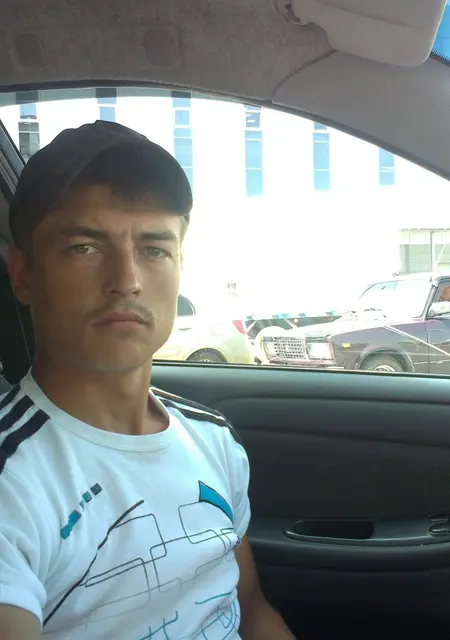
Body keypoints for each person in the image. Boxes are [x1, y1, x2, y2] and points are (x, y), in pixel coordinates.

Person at [0, 121, 294, 639]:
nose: (128, 281)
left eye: (154, 249)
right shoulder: (14, 479)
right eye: (84, 247)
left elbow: (250, 610)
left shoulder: (213, 439)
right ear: (22, 274)